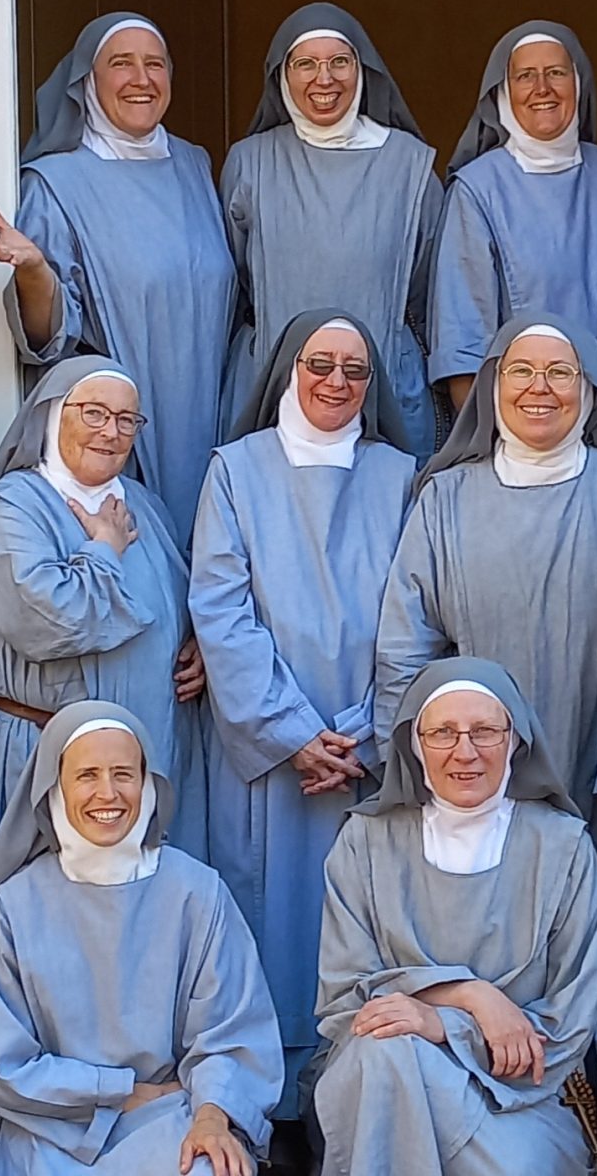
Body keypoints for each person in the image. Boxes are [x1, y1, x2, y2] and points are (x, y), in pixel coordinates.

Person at [188, 311, 416, 1108]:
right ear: (288, 368)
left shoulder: (400, 475)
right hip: (265, 751)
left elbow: (415, 613)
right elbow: (221, 609)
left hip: (363, 749)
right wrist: (291, 733)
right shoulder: (235, 470)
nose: (336, 382)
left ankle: (349, 1098)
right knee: (267, 924)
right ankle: (268, 1104)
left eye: (355, 370)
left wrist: (365, 731)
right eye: (320, 364)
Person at [375, 314, 597, 905]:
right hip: (469, 763)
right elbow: (405, 643)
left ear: (590, 389)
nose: (539, 387)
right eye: (520, 371)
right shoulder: (445, 497)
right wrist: (410, 763)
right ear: (492, 386)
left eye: (560, 373)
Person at [314, 659, 597, 1176]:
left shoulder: (562, 847)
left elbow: (568, 1020)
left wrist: (440, 1023)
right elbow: (347, 1001)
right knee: (385, 1053)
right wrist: (471, 997)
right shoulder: (365, 841)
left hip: (517, 1094)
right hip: (384, 1075)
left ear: (515, 741)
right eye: (443, 733)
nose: (465, 752)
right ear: (415, 744)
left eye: (485, 731)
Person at [0, 703, 282, 1175]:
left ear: (147, 781)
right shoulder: (12, 907)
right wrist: (117, 1091)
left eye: (123, 774)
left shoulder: (196, 892)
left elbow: (231, 1035)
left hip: (173, 1113)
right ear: (54, 787)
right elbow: (2, 1065)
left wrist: (212, 1116)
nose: (108, 793)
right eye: (87, 775)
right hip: (52, 1126)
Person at [0, 11, 236, 543]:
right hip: (118, 428)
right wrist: (35, 272)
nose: (141, 78)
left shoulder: (194, 165)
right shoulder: (55, 182)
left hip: (207, 415)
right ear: (87, 81)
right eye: (121, 63)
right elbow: (49, 339)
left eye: (155, 64)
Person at [0, 357, 205, 853]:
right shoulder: (11, 510)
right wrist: (104, 550)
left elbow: (174, 600)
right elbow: (51, 623)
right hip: (39, 754)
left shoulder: (143, 505)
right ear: (52, 415)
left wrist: (197, 642)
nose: (110, 432)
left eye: (126, 420)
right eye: (94, 413)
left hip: (141, 761)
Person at [219, 6, 442, 456]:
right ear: (282, 76)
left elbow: (427, 284)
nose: (325, 79)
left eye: (340, 62)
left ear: (363, 71)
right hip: (270, 375)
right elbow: (236, 271)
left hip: (386, 377)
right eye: (306, 64)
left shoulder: (410, 164)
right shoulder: (249, 161)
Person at [427, 23, 597, 411]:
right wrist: (491, 435)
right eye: (525, 76)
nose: (542, 88)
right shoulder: (477, 189)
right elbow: (464, 344)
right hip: (527, 420)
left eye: (556, 73)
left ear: (579, 84)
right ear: (503, 92)